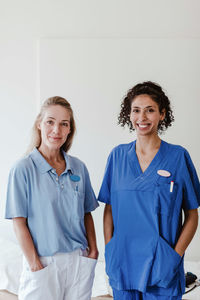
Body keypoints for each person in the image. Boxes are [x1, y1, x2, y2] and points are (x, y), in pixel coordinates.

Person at [98, 81, 200, 300]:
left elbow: (192, 215)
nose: (142, 117)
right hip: (123, 263)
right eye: (136, 110)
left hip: (162, 266)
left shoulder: (178, 157)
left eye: (150, 110)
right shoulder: (117, 157)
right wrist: (110, 250)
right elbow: (109, 209)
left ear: (162, 114)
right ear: (129, 114)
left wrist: (175, 256)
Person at [5, 96, 99, 300]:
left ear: (69, 130)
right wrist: (34, 264)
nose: (56, 130)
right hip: (43, 263)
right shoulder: (23, 169)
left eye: (64, 124)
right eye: (50, 122)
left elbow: (86, 213)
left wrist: (93, 251)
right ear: (39, 124)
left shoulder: (79, 167)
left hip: (78, 261)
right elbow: (19, 222)